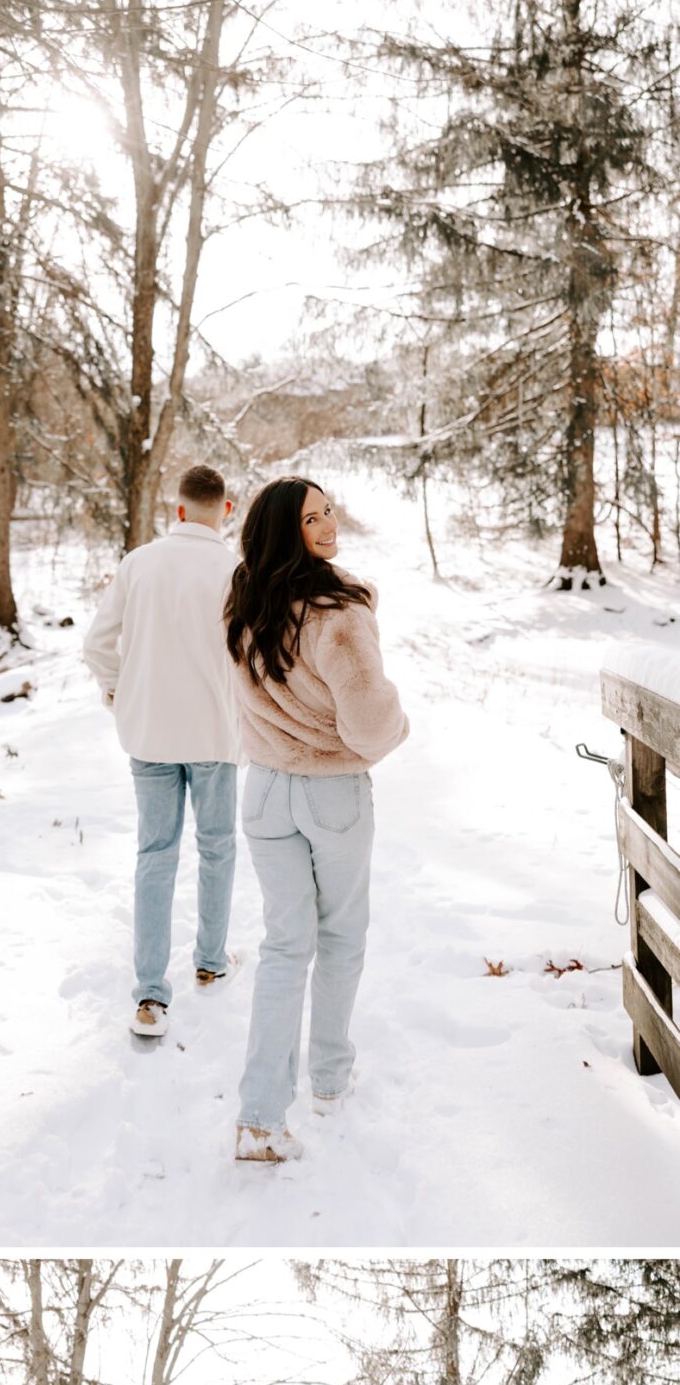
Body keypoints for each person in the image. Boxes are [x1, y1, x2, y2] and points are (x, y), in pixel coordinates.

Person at [224, 479, 409, 1164]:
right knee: (340, 938)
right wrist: (397, 726)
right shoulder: (339, 608)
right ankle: (329, 1078)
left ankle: (258, 1119)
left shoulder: (242, 599)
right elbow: (368, 722)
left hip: (265, 790)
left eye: (328, 510)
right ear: (285, 531)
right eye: (311, 518)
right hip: (330, 791)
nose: (328, 524)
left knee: (282, 947)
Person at [81, 462, 241, 1041]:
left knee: (155, 853)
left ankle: (150, 995)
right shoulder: (235, 570)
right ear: (225, 511)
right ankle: (210, 960)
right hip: (216, 735)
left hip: (148, 731)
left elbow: (97, 643)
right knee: (217, 848)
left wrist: (118, 689)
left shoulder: (139, 563)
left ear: (177, 510)